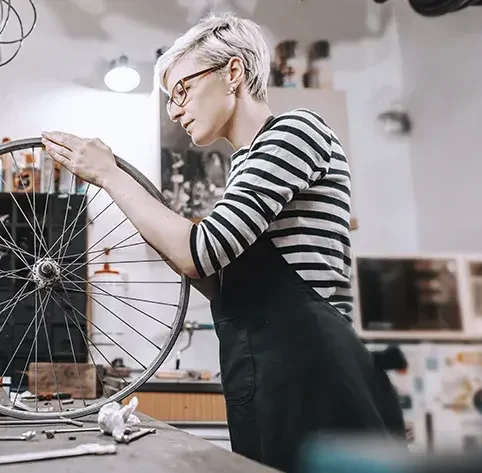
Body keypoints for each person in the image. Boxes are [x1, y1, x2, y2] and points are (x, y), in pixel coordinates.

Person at [42, 12, 406, 473]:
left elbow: (199, 253)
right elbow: (216, 279)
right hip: (267, 379)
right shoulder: (244, 165)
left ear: (233, 72)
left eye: (182, 90)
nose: (174, 109)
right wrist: (155, 223)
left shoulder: (295, 131)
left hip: (319, 380)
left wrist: (110, 175)